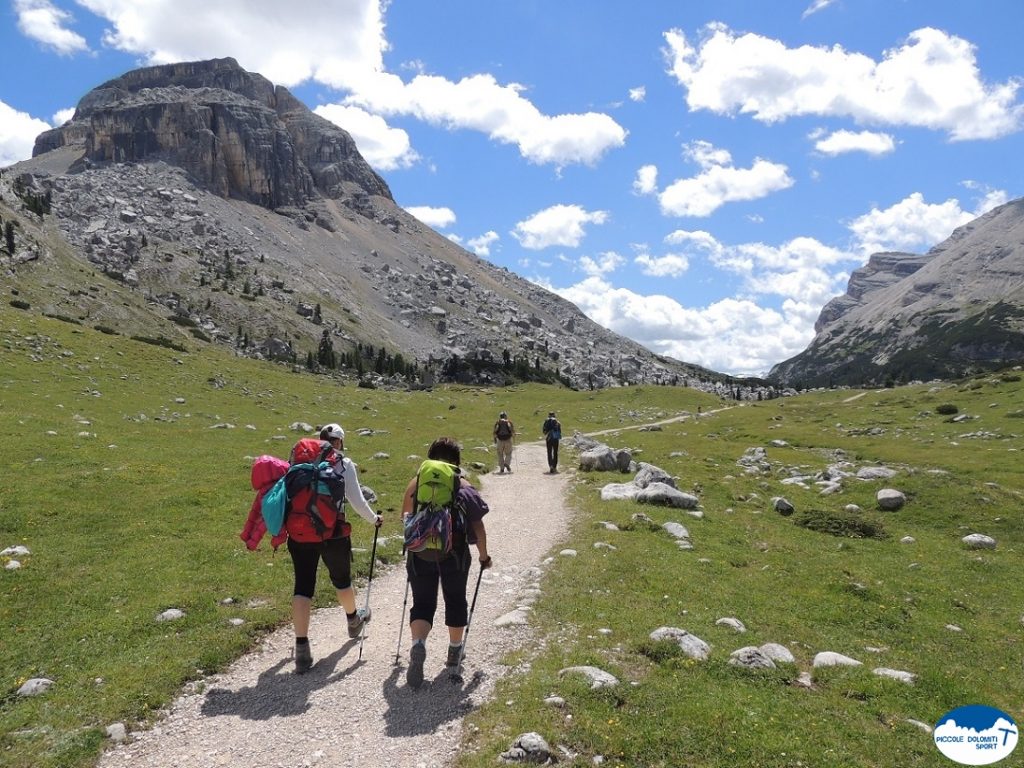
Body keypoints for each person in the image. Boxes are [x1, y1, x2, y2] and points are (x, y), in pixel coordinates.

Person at [286, 422, 382, 674]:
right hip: (333, 531)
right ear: (339, 441)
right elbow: (357, 501)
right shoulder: (343, 463)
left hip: (300, 531)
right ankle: (353, 619)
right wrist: (375, 519)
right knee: (341, 580)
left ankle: (302, 649)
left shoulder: (298, 459)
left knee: (303, 585)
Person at [401, 437, 491, 688]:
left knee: (423, 603)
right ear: (456, 462)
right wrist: (484, 556)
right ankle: (454, 651)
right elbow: (479, 526)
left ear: (430, 457)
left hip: (420, 553)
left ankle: (418, 645)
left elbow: (404, 517)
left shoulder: (416, 482)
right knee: (455, 599)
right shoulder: (462, 485)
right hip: (454, 554)